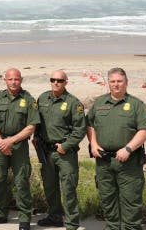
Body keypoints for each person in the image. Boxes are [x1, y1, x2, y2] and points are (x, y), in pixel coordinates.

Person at [86, 67, 146, 230]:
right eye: (113, 81)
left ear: (126, 83)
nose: (116, 85)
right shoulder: (99, 103)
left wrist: (128, 149)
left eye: (119, 81)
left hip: (128, 162)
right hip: (104, 162)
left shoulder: (136, 104)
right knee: (107, 199)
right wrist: (93, 144)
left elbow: (145, 130)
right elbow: (89, 124)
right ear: (108, 83)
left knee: (131, 201)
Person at [0, 68, 40, 230]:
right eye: (10, 79)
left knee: (21, 181)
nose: (13, 82)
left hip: (19, 145)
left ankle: (24, 218)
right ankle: (0, 213)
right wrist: (1, 142)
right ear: (5, 80)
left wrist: (11, 141)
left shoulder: (29, 100)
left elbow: (31, 126)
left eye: (16, 79)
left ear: (21, 80)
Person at [35, 70, 86, 229]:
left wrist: (65, 146)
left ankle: (71, 223)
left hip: (65, 153)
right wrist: (36, 136)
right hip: (46, 152)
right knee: (50, 187)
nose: (56, 83)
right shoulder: (43, 98)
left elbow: (80, 130)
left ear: (66, 82)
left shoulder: (73, 103)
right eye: (53, 80)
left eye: (60, 80)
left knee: (68, 188)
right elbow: (37, 121)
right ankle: (55, 217)